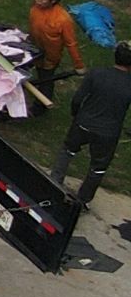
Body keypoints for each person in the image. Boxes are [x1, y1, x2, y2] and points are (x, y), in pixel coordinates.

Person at [54, 43, 131, 203]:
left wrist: (76, 115)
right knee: (98, 167)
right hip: (108, 132)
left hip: (83, 123)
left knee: (67, 151)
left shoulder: (96, 73)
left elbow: (77, 99)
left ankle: (54, 183)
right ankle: (81, 200)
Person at [34, 0, 87, 95]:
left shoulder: (63, 20)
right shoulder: (35, 8)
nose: (37, 0)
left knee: (46, 80)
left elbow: (71, 43)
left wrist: (79, 65)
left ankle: (41, 106)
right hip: (34, 48)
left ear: (53, 1)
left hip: (50, 56)